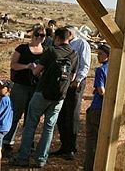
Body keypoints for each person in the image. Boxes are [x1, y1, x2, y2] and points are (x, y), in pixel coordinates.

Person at [10, 27, 76, 168]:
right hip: (59, 96)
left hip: (42, 92)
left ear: (57, 38)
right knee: (49, 128)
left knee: (30, 125)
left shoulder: (51, 51)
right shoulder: (73, 53)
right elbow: (72, 76)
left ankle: (23, 157)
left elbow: (36, 72)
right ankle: (41, 159)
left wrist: (35, 69)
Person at [2, 25, 46, 155]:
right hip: (21, 85)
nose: (39, 37)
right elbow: (13, 65)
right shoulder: (22, 48)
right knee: (15, 114)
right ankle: (7, 142)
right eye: (37, 34)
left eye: (42, 35)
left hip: (36, 87)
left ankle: (27, 143)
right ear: (32, 35)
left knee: (31, 116)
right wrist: (27, 66)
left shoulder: (46, 51)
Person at [50, 26, 91, 161]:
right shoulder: (64, 45)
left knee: (72, 114)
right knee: (61, 113)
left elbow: (84, 64)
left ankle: (71, 147)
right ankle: (64, 145)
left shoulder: (81, 44)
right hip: (63, 82)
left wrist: (78, 79)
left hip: (75, 83)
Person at [83, 44, 109, 171]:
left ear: (108, 55)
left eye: (101, 54)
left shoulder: (101, 70)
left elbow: (101, 91)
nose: (98, 56)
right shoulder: (114, 69)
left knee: (92, 142)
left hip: (97, 108)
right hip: (106, 110)